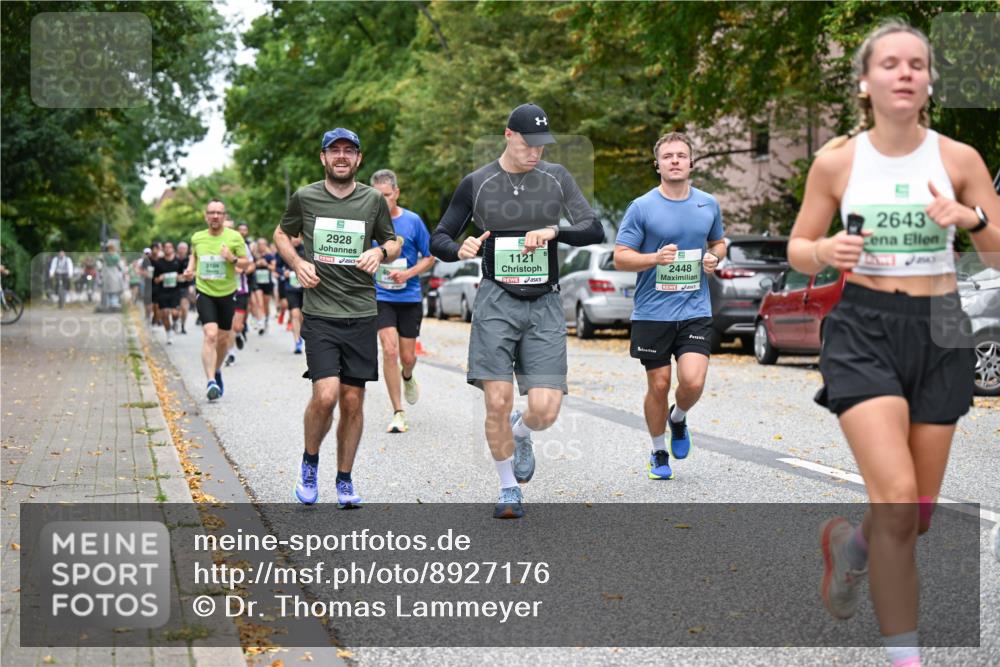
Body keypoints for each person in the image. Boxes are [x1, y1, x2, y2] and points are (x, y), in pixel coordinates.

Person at [787, 21, 1000, 667]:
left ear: (929, 79)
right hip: (864, 327)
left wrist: (975, 219)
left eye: (917, 63)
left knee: (918, 517)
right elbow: (799, 248)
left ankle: (851, 551)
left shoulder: (959, 160)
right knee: (899, 502)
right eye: (890, 63)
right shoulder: (838, 161)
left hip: (941, 327)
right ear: (865, 81)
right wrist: (824, 250)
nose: (905, 72)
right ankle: (905, 657)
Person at [430, 103, 603, 519]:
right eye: (528, 144)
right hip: (496, 300)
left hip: (544, 303)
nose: (536, 153)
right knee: (497, 400)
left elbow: (593, 227)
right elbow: (440, 237)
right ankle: (509, 489)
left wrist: (554, 231)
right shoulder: (478, 182)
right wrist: (459, 248)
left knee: (545, 409)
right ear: (508, 135)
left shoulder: (556, 178)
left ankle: (521, 431)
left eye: (542, 145)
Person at [275, 128, 400, 508]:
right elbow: (282, 234)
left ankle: (344, 479)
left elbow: (394, 242)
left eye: (349, 151)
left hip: (362, 313)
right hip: (321, 314)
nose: (341, 157)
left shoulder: (373, 200)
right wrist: (297, 262)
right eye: (335, 151)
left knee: (352, 402)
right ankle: (310, 462)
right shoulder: (306, 197)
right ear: (323, 158)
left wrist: (380, 253)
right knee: (326, 395)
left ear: (358, 159)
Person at [613, 132, 725, 481]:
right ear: (657, 164)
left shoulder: (708, 204)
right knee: (659, 384)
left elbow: (719, 243)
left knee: (692, 381)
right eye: (667, 156)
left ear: (691, 162)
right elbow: (620, 258)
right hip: (652, 312)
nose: (674, 160)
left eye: (681, 155)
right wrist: (653, 258)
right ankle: (658, 449)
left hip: (694, 309)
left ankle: (678, 418)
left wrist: (713, 258)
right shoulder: (642, 207)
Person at [370, 169, 436, 434]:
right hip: (381, 295)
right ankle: (398, 412)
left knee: (407, 357)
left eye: (386, 195)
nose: (382, 201)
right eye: (376, 197)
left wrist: (408, 273)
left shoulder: (412, 221)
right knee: (389, 350)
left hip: (408, 296)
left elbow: (429, 256)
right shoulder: (368, 223)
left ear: (396, 193)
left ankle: (407, 375)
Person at [181, 199, 251, 401]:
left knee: (222, 339)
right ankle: (211, 380)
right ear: (205, 216)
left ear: (224, 216)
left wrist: (232, 258)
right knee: (210, 334)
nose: (215, 216)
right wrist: (190, 270)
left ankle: (217, 369)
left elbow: (247, 265)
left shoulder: (235, 237)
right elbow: (195, 256)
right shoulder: (198, 238)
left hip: (228, 293)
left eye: (219, 213)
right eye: (211, 212)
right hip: (205, 291)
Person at [275, 236, 306, 353]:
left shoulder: (306, 250)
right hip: (290, 287)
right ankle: (297, 342)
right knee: (294, 314)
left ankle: (302, 336)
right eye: (294, 237)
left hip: (305, 288)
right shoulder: (285, 251)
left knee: (303, 316)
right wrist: (284, 272)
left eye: (298, 237)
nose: (296, 240)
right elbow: (277, 267)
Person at [152, 242, 183, 344]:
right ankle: (169, 333)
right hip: (163, 291)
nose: (167, 249)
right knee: (164, 313)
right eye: (165, 247)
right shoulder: (159, 263)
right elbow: (155, 279)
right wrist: (160, 278)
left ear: (173, 249)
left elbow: (184, 276)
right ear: (163, 249)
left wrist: (179, 277)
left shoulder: (178, 262)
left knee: (174, 313)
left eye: (170, 247)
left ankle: (175, 321)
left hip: (175, 291)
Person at [252, 237, 274, 334]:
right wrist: (257, 264)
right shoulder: (254, 256)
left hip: (267, 282)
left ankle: (266, 319)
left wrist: (266, 264)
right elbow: (250, 266)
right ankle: (260, 322)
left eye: (263, 244)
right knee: (259, 303)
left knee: (265, 304)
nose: (261, 246)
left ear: (266, 245)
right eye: (259, 244)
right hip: (257, 282)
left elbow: (273, 268)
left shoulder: (270, 256)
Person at [176, 241, 194, 333]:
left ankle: (183, 326)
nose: (182, 250)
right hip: (173, 287)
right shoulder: (173, 259)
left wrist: (191, 285)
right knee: (175, 311)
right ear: (177, 249)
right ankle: (175, 321)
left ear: (187, 250)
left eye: (184, 249)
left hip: (185, 287)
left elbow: (193, 273)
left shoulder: (190, 260)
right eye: (181, 248)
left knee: (184, 307)